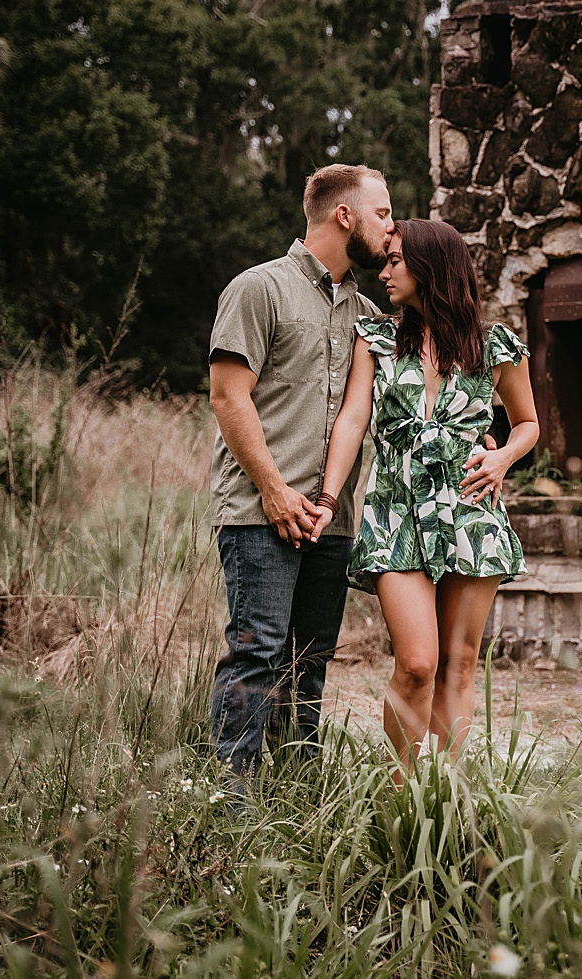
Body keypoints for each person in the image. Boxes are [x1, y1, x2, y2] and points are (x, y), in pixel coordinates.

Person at [310, 219, 539, 769]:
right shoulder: (378, 340)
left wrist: (503, 456)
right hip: (395, 513)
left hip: (471, 512)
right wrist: (327, 496)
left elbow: (528, 424)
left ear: (431, 267)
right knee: (416, 663)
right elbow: (351, 422)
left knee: (459, 664)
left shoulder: (497, 347)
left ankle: (445, 799)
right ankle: (400, 794)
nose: (383, 272)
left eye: (394, 261)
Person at [207, 163, 392, 778]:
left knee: (310, 662)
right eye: (383, 213)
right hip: (260, 516)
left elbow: (358, 415)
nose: (390, 231)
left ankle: (296, 794)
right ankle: (232, 802)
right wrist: (275, 491)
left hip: (329, 522)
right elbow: (228, 397)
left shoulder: (366, 312)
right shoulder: (259, 289)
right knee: (258, 655)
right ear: (346, 216)